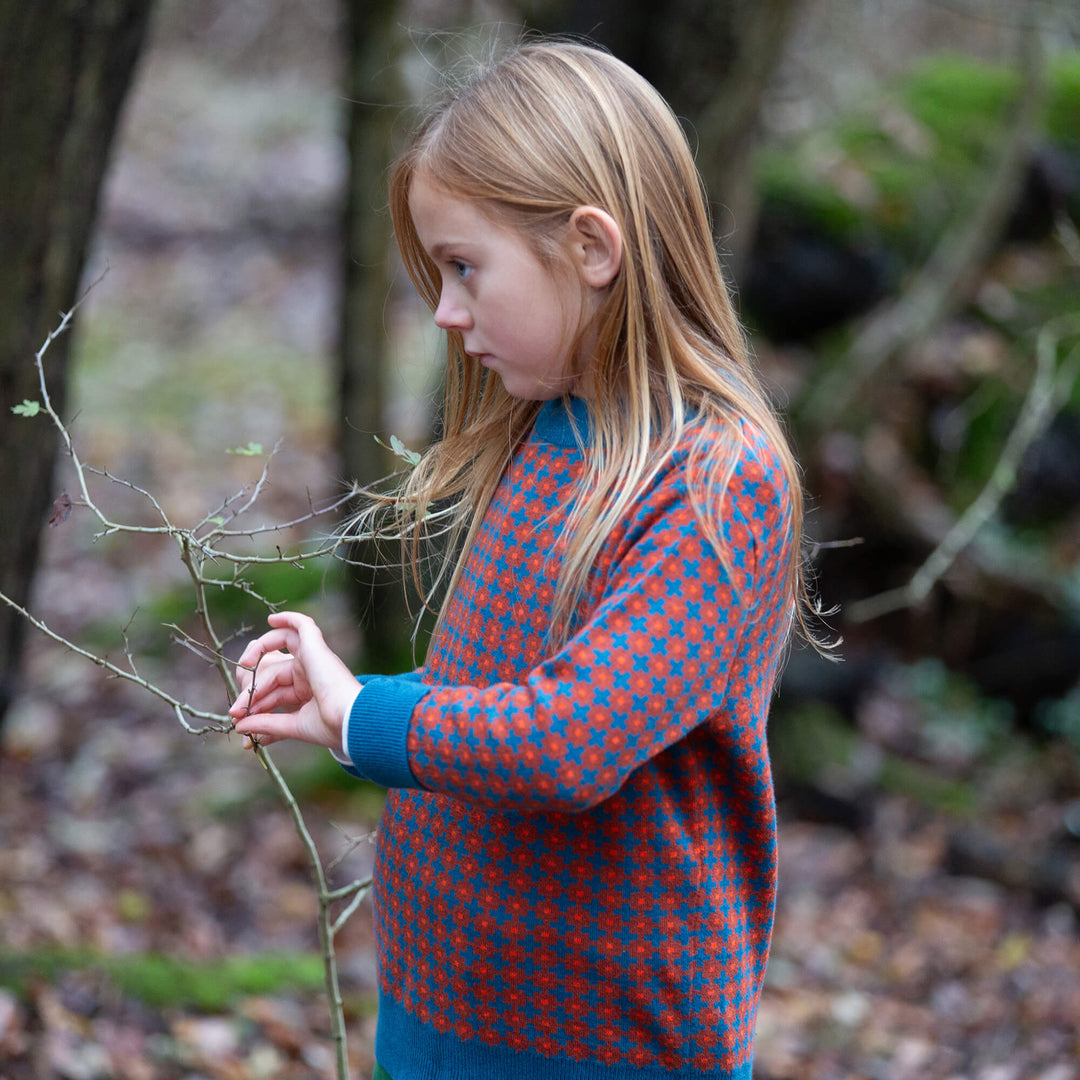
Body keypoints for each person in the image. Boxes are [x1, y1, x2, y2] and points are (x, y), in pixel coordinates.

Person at [231, 37, 815, 1080]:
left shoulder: (715, 480)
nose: (448, 316)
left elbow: (563, 742)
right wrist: (343, 699)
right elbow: (486, 698)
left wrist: (370, 719)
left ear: (592, 247)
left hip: (601, 1047)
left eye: (464, 268)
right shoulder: (546, 431)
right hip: (442, 1010)